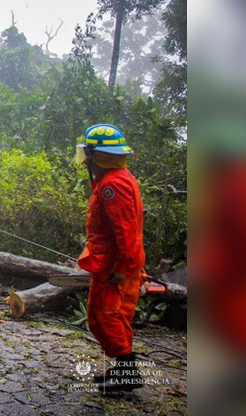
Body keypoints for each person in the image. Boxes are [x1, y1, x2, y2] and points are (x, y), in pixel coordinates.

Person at [74, 124, 145, 393]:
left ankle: (128, 373)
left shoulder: (113, 185)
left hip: (114, 264)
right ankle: (122, 369)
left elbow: (126, 231)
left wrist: (123, 268)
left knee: (105, 316)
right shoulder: (119, 179)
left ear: (97, 155)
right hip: (117, 262)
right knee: (115, 316)